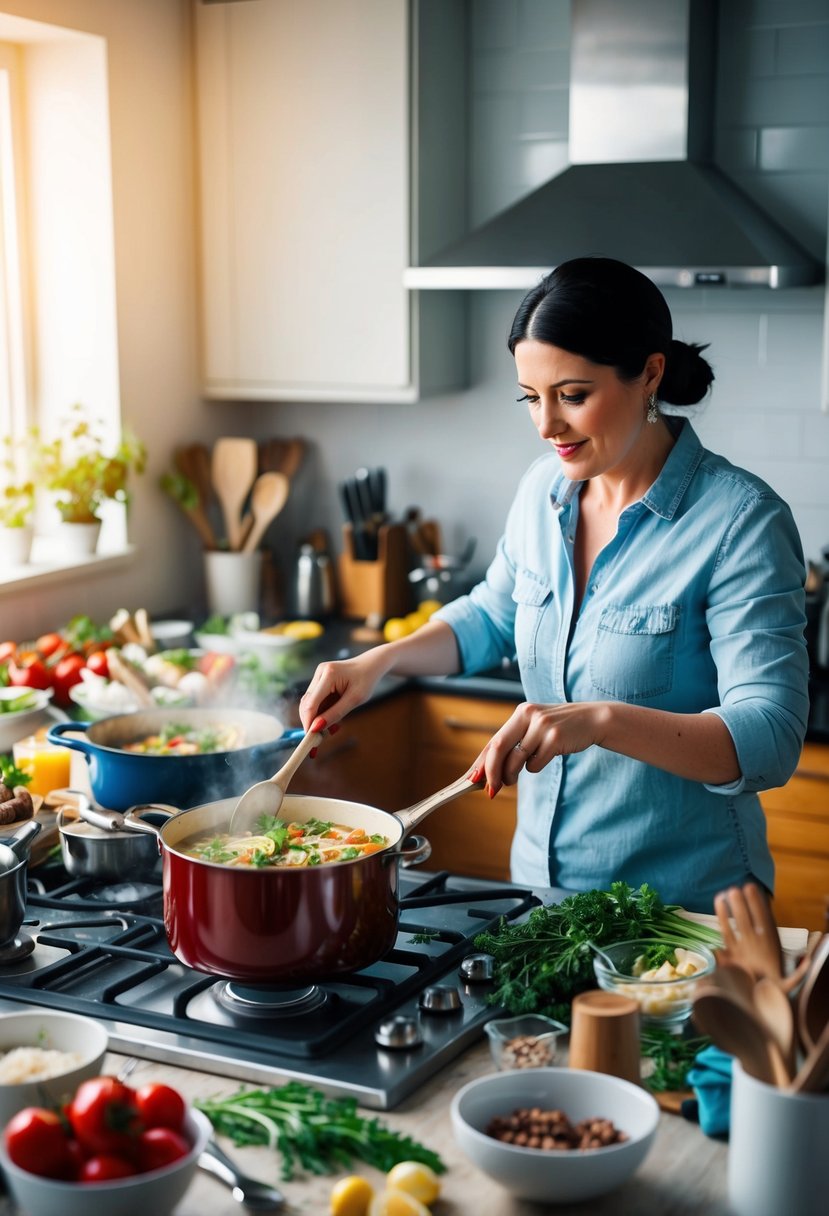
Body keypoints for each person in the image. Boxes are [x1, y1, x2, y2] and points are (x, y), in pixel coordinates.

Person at [299, 257, 809, 912]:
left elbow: (768, 739)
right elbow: (491, 615)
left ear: (649, 373)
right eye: (530, 397)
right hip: (541, 896)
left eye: (571, 395)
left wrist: (598, 721)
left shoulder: (740, 521)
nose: (546, 426)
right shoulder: (543, 490)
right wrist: (379, 662)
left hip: (681, 913)